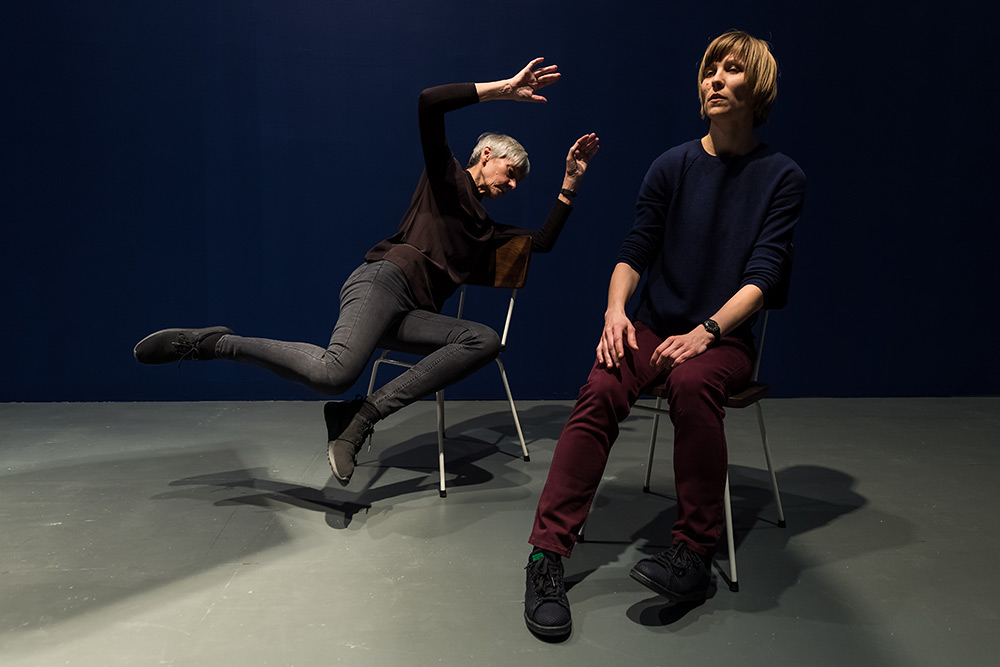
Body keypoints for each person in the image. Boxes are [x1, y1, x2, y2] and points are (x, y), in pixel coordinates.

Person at [134, 59, 599, 487]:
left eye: (519, 180)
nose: (512, 184)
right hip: (384, 280)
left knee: (483, 339)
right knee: (333, 374)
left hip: (412, 310)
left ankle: (360, 417)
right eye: (510, 170)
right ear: (486, 155)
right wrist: (502, 90)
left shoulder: (486, 228)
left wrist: (570, 186)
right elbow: (429, 103)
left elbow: (539, 244)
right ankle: (209, 343)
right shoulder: (447, 177)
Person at [522, 31, 805, 638]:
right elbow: (635, 251)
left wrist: (707, 331)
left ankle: (693, 555)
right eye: (710, 70)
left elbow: (762, 277)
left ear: (758, 88)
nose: (715, 80)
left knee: (693, 384)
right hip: (652, 327)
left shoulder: (782, 177)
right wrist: (615, 313)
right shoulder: (671, 165)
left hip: (724, 340)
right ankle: (547, 555)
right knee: (598, 391)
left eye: (731, 70)